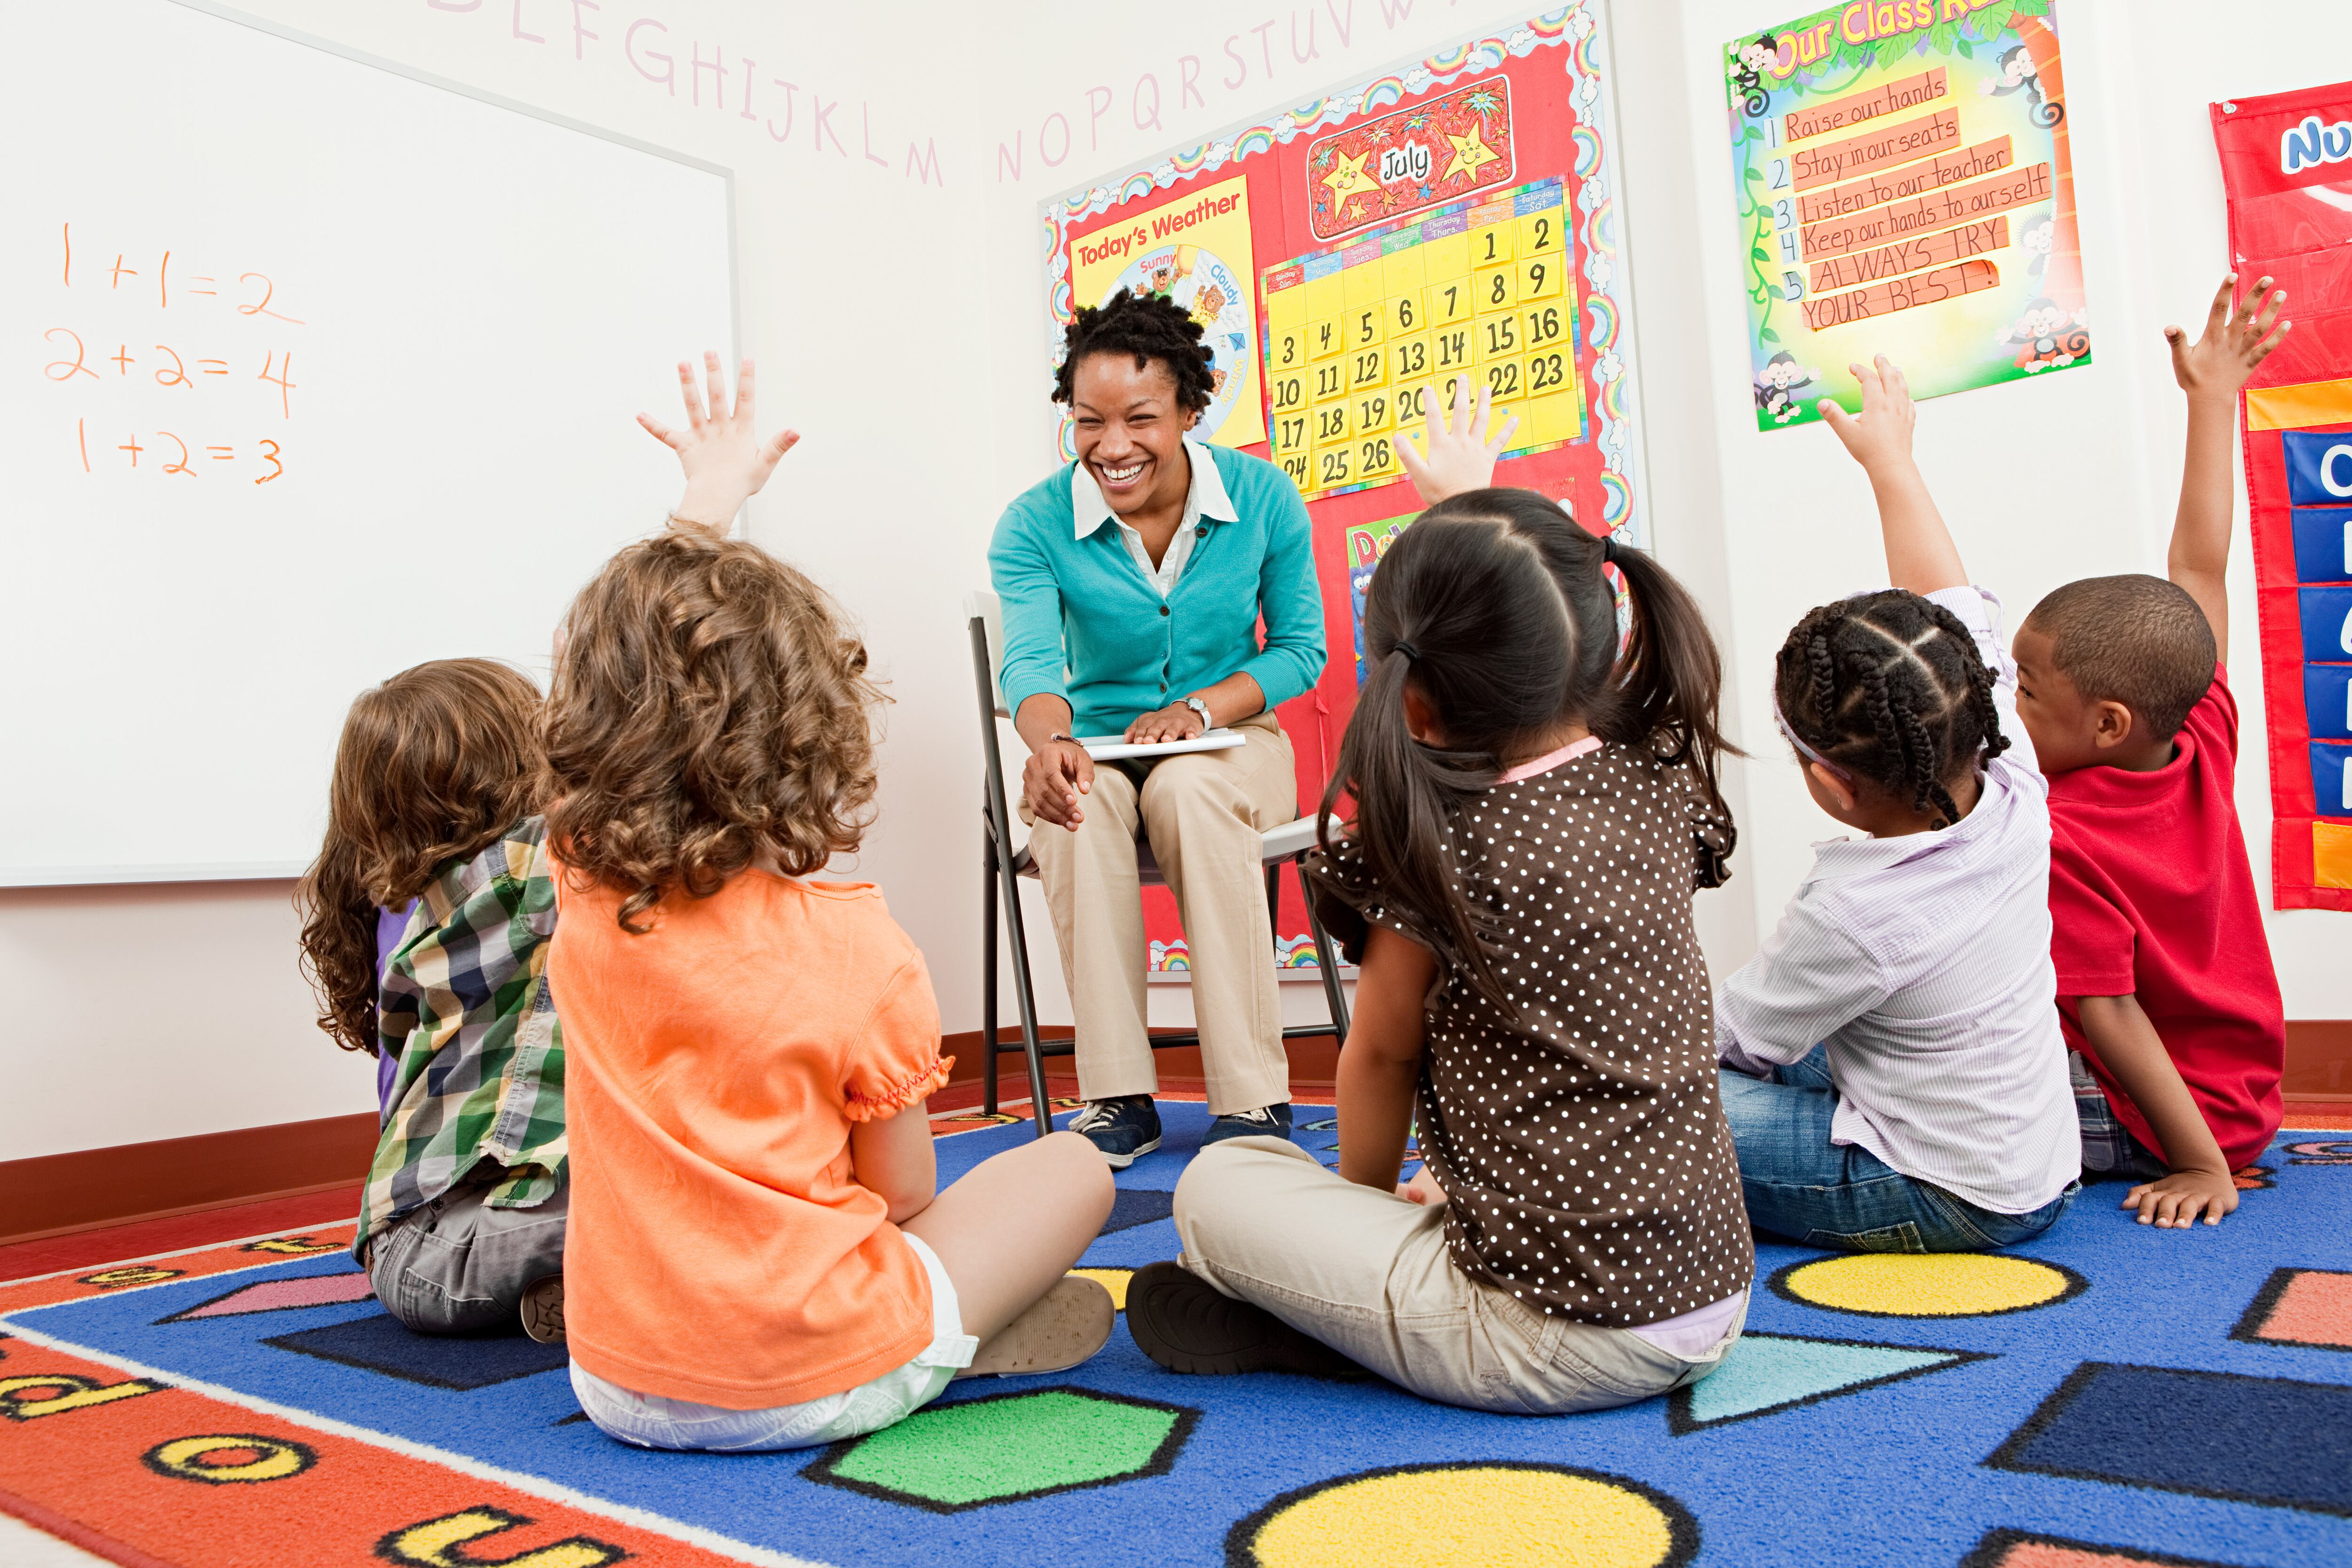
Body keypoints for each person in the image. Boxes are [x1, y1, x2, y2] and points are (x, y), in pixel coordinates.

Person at [551, 355, 1116, 1452]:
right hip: (809, 1379)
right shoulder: (856, 944)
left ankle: (946, 1335)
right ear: (813, 733)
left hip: (613, 1381)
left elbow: (645, 662)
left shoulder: (584, 888)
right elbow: (902, 1196)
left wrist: (702, 507)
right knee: (1075, 1166)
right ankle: (943, 1342)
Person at [1126, 489, 1754, 1414]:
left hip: (1544, 1335)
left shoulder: (1447, 844)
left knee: (1217, 1182)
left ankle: (1344, 1320)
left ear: (1412, 701)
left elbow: (1378, 1055)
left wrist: (1348, 1218)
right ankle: (1378, 1291)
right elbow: (1521, 588)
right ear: (1600, 637)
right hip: (1710, 1298)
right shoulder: (1649, 775)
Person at [986, 288, 1515, 1165]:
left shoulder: (1264, 498)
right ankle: (1120, 1093)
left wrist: (1197, 709)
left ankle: (1251, 1101)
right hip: (1099, 747)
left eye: (1140, 419)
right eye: (1088, 422)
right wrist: (1050, 746)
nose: (1111, 447)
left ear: (1192, 411)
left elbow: (1300, 651)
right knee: (1072, 803)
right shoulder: (1034, 524)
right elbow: (1032, 668)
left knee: (1191, 787)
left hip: (1232, 744)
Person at [1713, 357, 2078, 1253]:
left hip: (1942, 1190)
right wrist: (1892, 465)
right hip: (2035, 1155)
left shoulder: (1854, 911)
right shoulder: (2006, 762)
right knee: (1811, 1042)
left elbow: (1735, 1037)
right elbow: (1946, 599)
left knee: (1658, 1090)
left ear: (1832, 783)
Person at [2018, 276, 2292, 1229]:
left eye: (2024, 688)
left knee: (1920, 1074)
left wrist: (2200, 1165)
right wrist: (2211, 400)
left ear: (2104, 724)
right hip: (2243, 1087)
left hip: (2158, 1114)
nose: (2008, 706)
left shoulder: (2064, 831)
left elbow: (2114, 1016)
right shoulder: (2196, 730)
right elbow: (2197, 572)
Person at [296, 659, 570, 1341]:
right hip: (435, 1241)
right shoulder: (526, 878)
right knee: (691, 1211)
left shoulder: (407, 905)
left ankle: (565, 1295)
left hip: (434, 1236)